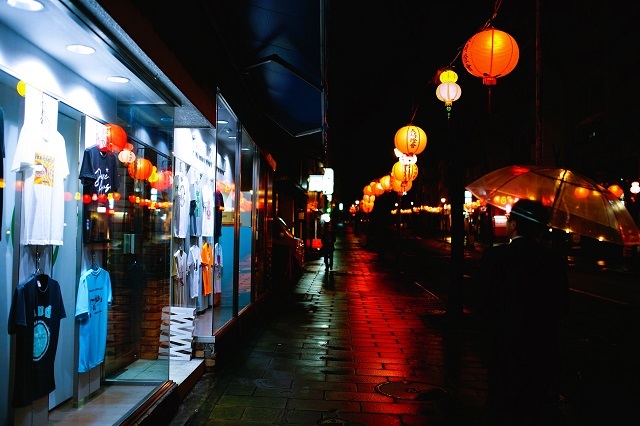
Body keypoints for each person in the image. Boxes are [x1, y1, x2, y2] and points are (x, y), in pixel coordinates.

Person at [476, 199, 570, 426]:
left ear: (515, 225)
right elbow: (562, 307)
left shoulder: (495, 257)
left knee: (501, 407)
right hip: (541, 349)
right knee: (533, 409)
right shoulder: (552, 262)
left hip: (503, 346)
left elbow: (483, 304)